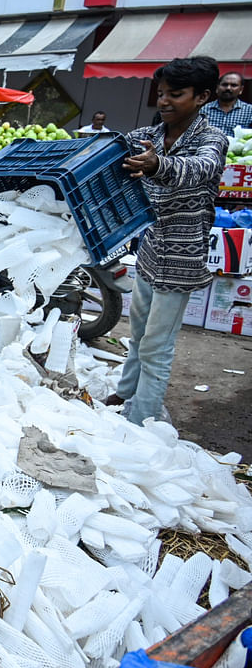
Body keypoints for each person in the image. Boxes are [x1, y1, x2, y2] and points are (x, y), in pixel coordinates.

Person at [105, 56, 229, 426]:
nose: (164, 101)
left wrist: (157, 166)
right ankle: (126, 392)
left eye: (176, 94)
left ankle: (142, 419)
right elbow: (115, 145)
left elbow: (198, 169)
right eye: (161, 94)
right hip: (150, 247)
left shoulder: (212, 139)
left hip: (181, 255)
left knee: (158, 344)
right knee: (138, 332)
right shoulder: (153, 135)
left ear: (202, 96)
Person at [200, 72, 252, 137]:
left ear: (241, 89)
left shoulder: (249, 111)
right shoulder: (204, 110)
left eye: (233, 85)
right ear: (217, 87)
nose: (228, 88)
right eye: (224, 84)